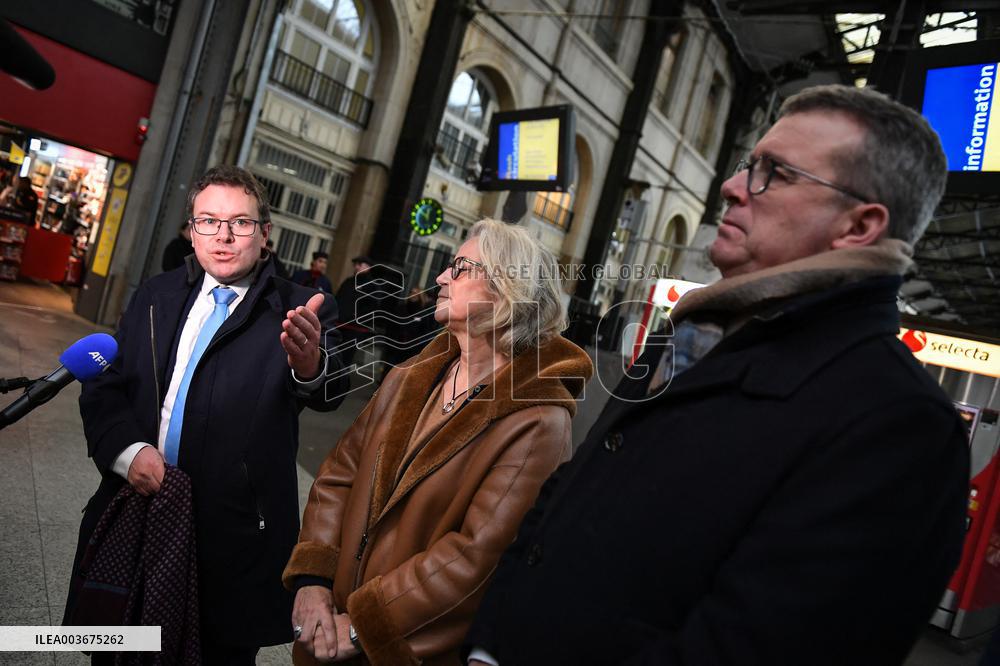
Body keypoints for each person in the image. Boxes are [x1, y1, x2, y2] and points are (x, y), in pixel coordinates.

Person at [465, 85, 970, 665]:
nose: (731, 188)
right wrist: (489, 643)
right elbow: (571, 493)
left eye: (773, 173)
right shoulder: (693, 335)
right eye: (746, 166)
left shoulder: (900, 427)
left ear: (858, 226)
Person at [66, 165, 350, 663]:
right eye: (207, 221)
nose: (222, 236)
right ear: (191, 229)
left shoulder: (300, 307)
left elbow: (330, 387)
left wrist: (310, 364)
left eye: (240, 223)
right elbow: (104, 383)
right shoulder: (157, 295)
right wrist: (126, 452)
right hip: (140, 508)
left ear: (265, 235)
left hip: (233, 539)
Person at [282, 218, 594, 665]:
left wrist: (358, 627)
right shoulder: (409, 379)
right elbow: (338, 476)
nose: (440, 277)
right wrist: (314, 579)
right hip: (327, 631)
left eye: (460, 267)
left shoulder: (537, 419)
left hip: (397, 650)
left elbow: (475, 559)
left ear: (507, 291)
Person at [333, 255, 376, 367]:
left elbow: (371, 307)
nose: (356, 267)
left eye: (360, 264)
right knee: (333, 355)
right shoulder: (349, 281)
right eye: (355, 264)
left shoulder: (371, 286)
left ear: (368, 267)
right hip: (339, 324)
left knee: (345, 359)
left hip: (354, 328)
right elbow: (338, 299)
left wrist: (356, 317)